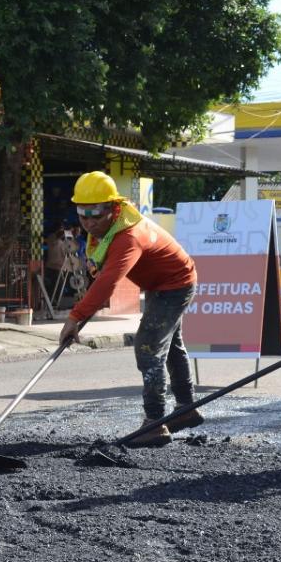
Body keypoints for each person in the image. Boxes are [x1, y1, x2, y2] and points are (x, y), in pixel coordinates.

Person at [58, 172, 199, 446]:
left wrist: (75, 317)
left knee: (148, 347)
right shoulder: (106, 231)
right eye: (82, 213)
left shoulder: (128, 236)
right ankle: (186, 409)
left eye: (95, 213)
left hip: (175, 284)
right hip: (162, 284)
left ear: (113, 208)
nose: (87, 221)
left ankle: (155, 424)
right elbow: (104, 273)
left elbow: (108, 283)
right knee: (169, 346)